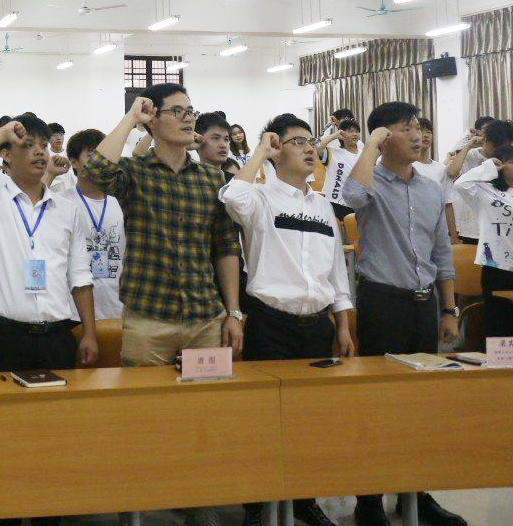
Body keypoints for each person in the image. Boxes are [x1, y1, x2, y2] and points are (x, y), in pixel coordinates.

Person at [220, 115, 354, 526]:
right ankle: (257, 505)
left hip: (317, 326)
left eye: (311, 141)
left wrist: (343, 325)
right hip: (270, 324)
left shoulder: (323, 206)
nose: (310, 148)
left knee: (308, 422)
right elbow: (232, 197)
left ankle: (303, 498)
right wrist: (261, 151)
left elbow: (336, 271)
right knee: (262, 421)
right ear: (277, 151)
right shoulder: (260, 198)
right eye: (297, 142)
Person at [342, 102, 465, 526]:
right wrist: (370, 146)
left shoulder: (430, 188)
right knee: (377, 407)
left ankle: (417, 494)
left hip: (423, 304)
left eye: (419, 128)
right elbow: (350, 199)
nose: (418, 135)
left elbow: (441, 253)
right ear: (383, 136)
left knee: (420, 406)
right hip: (382, 303)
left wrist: (448, 309)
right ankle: (369, 500)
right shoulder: (370, 181)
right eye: (406, 128)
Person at [81, 88, 242, 360]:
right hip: (148, 317)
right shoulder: (135, 171)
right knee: (146, 390)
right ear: (152, 120)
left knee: (209, 390)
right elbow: (95, 170)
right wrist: (131, 117)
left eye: (190, 112)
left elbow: (226, 247)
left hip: (204, 317)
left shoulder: (212, 179)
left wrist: (234, 312)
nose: (188, 118)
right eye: (177, 112)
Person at [0, 115, 98, 375]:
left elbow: (80, 275)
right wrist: (2, 133)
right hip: (5, 337)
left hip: (57, 335)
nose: (40, 151)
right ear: (6, 155)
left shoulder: (67, 209)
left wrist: (90, 332)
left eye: (43, 145)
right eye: (28, 145)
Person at [453, 145, 513, 338]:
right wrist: (488, 166)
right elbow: (461, 184)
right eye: (511, 161)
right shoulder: (485, 192)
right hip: (497, 266)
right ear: (501, 165)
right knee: (498, 323)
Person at [67, 129, 126, 320]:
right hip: (74, 310)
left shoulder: (122, 201)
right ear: (74, 162)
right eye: (92, 154)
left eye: (104, 154)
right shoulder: (62, 201)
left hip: (117, 306)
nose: (100, 161)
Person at [448, 119, 513, 245]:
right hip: (472, 227)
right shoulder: (471, 155)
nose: (499, 150)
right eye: (496, 146)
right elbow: (452, 173)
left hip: (501, 227)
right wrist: (468, 145)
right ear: (486, 140)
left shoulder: (506, 161)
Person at [316, 117, 362, 220]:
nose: (355, 134)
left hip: (358, 203)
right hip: (336, 202)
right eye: (350, 131)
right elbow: (317, 147)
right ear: (342, 134)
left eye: (357, 131)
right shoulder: (332, 152)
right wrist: (334, 136)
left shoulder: (364, 154)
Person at [193, 112, 233, 177]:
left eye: (226, 139)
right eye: (216, 138)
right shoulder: (187, 178)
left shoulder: (235, 180)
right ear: (198, 140)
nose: (224, 145)